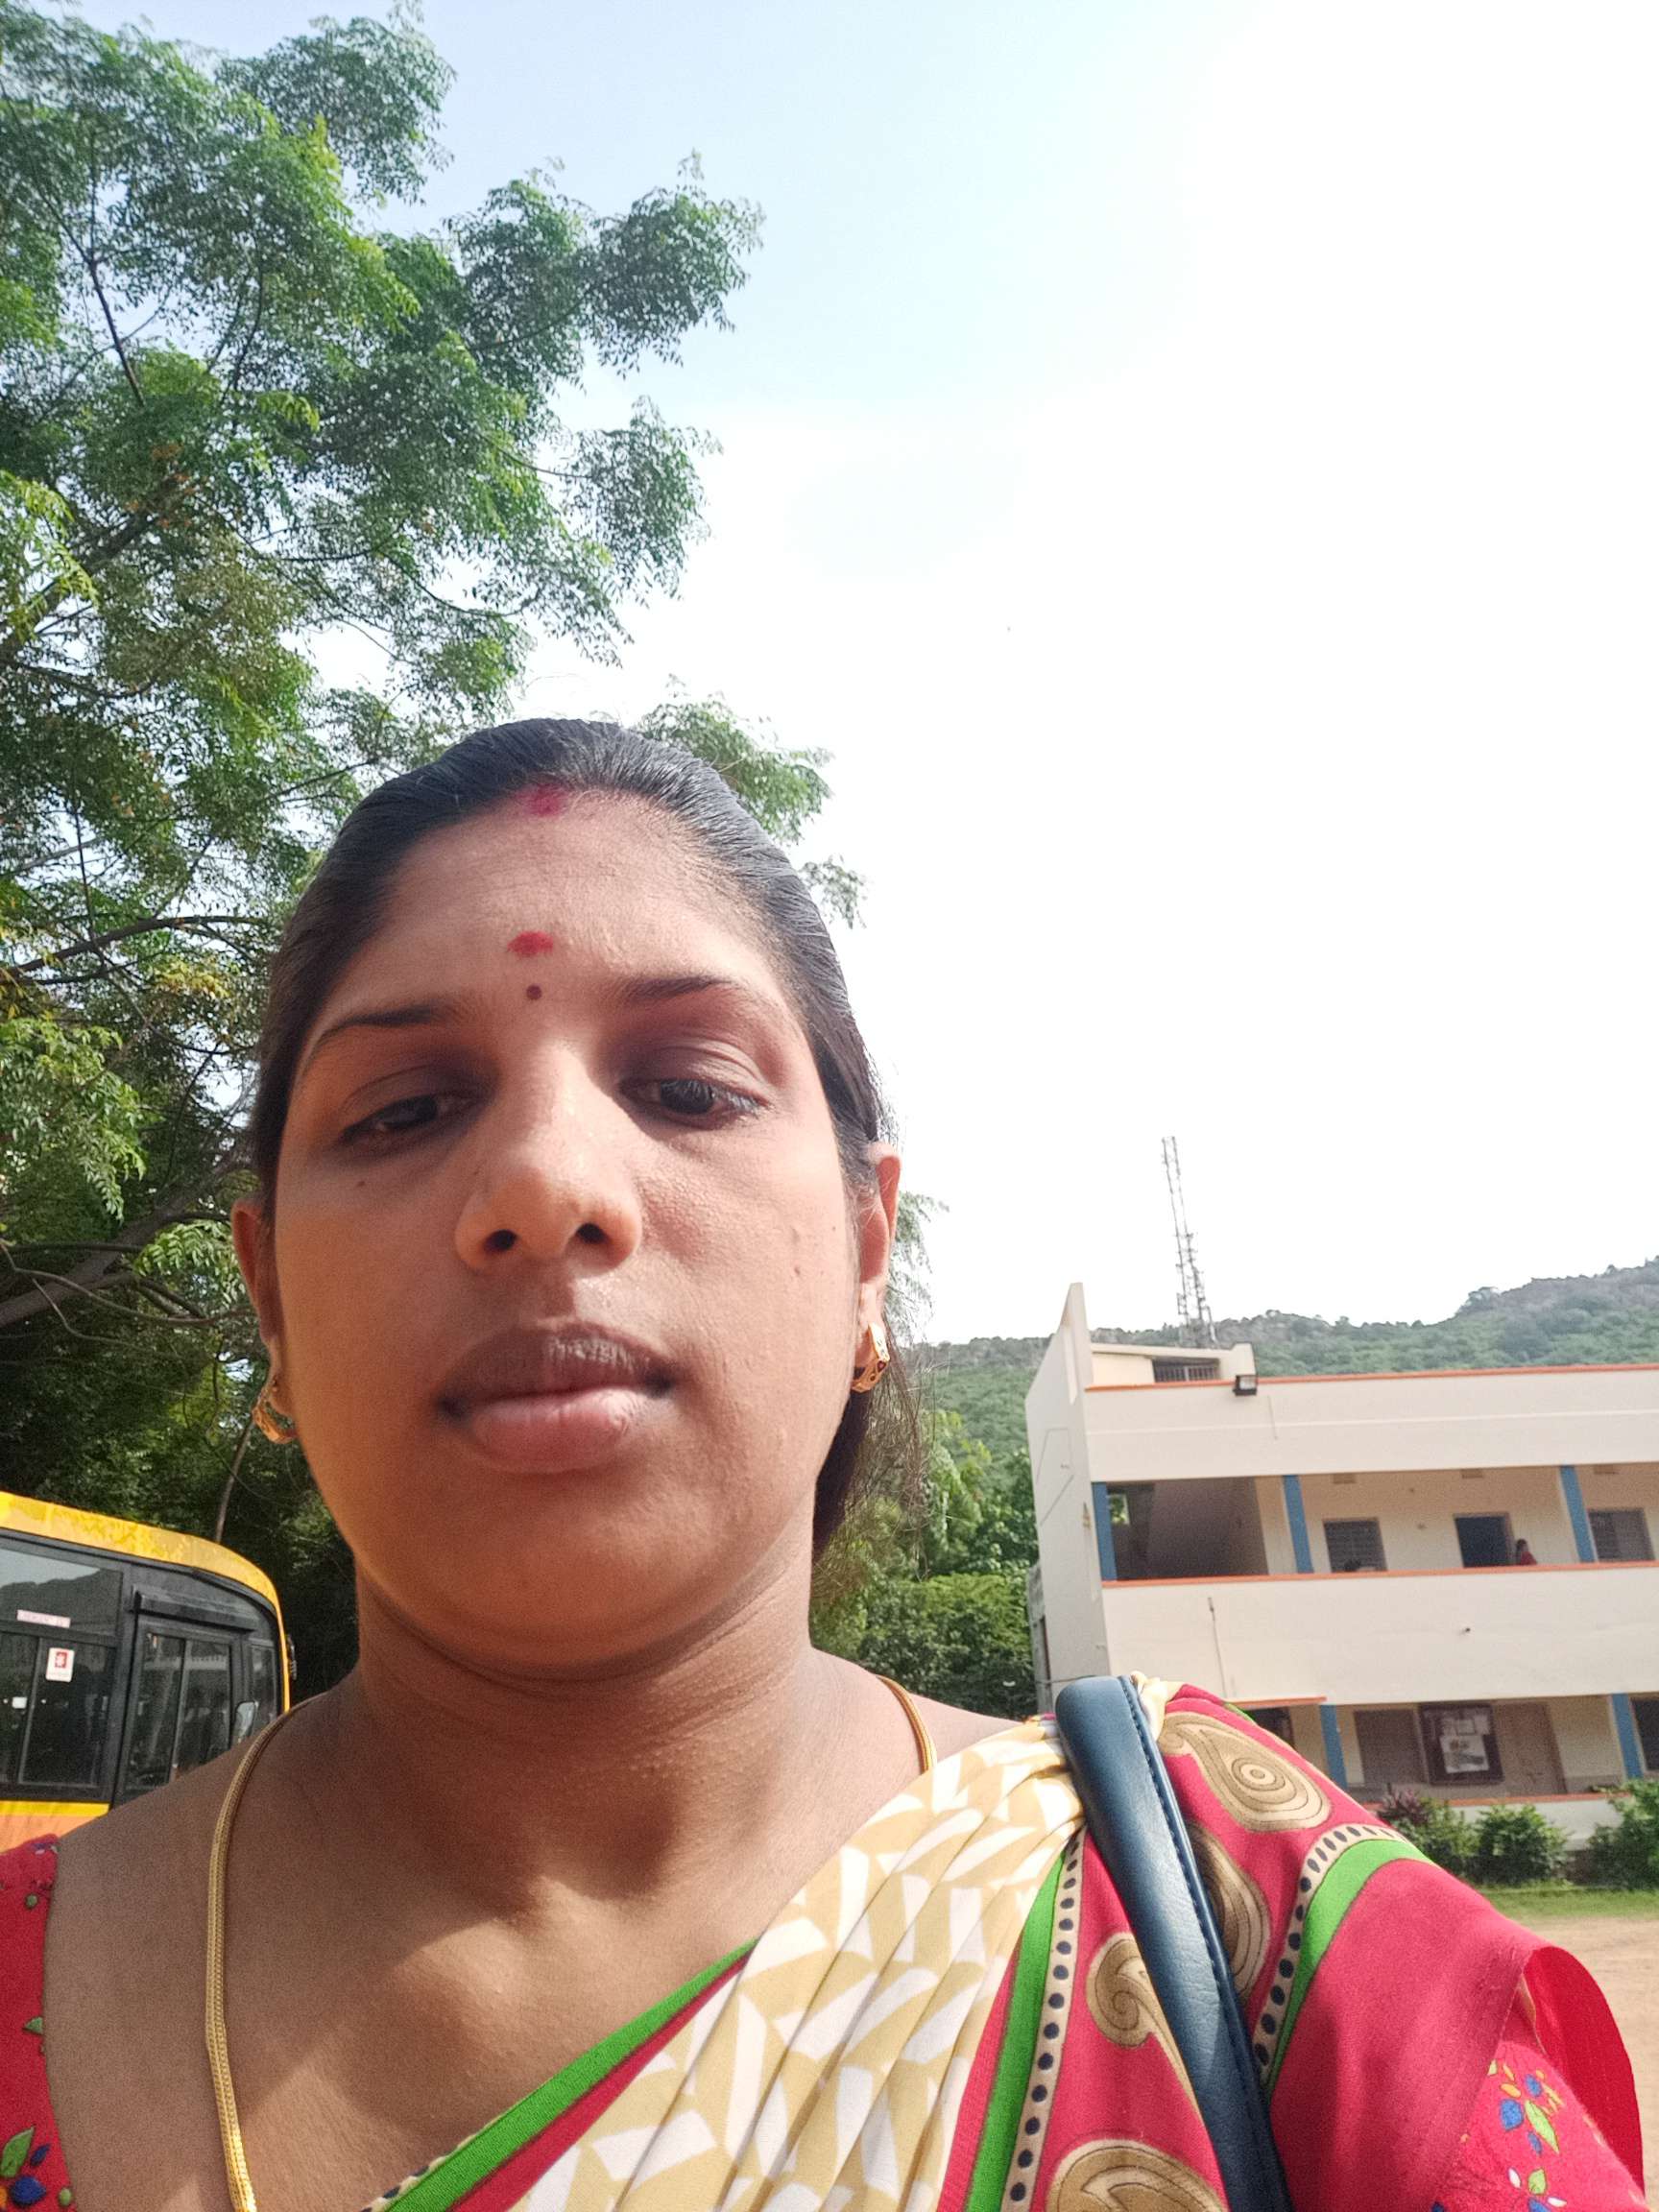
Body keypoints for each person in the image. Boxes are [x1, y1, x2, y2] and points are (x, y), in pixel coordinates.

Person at [6, 721, 1643, 2212]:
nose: (545, 1185)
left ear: (868, 1252)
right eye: (405, 1108)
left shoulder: (1258, 1944)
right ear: (271, 1299)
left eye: (687, 1088)